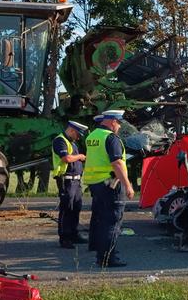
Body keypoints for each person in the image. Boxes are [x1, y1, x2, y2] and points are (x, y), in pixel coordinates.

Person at [84, 110, 135, 267]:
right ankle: (108, 258)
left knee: (100, 220)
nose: (119, 127)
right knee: (112, 221)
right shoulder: (111, 137)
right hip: (110, 185)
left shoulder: (92, 136)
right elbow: (117, 163)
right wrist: (128, 185)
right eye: (119, 123)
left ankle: (101, 253)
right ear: (113, 121)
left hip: (96, 184)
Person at [52, 120, 89, 248]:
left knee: (76, 207)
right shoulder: (60, 140)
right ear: (72, 130)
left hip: (76, 180)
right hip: (66, 180)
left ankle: (74, 233)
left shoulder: (72, 142)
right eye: (78, 134)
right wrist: (80, 156)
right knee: (67, 208)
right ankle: (65, 237)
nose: (78, 137)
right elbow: (66, 158)